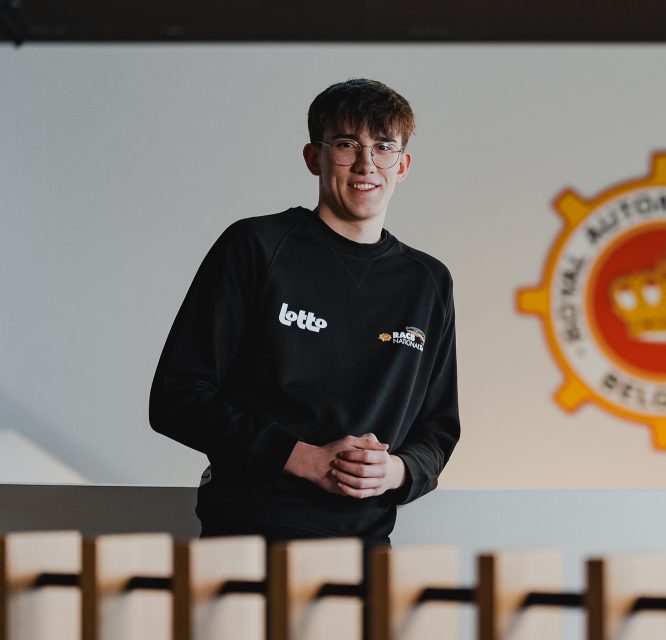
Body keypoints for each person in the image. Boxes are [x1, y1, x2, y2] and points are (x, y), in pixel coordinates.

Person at [149, 79, 460, 544]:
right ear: (314, 157)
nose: (366, 164)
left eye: (383, 147)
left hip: (365, 550)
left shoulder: (428, 281)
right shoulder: (256, 247)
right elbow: (177, 398)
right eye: (346, 144)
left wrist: (395, 471)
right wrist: (301, 458)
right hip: (247, 540)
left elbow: (438, 429)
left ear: (403, 165)